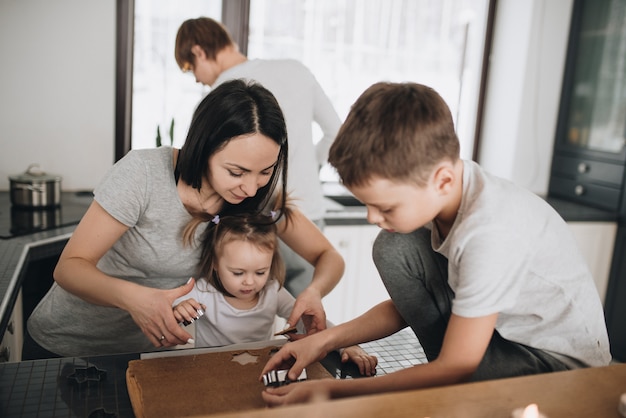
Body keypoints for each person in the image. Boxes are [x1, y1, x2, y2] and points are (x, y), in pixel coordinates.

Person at [260, 81, 612, 405]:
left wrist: (334, 389)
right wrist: (323, 341)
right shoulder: (448, 191)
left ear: (442, 180)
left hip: (561, 370)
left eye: (384, 206)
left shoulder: (489, 233)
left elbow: (458, 364)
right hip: (501, 342)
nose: (371, 217)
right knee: (394, 246)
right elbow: (413, 305)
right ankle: (440, 378)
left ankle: (440, 381)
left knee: (399, 254)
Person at [22, 79, 344, 359]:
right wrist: (138, 300)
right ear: (202, 148)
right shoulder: (143, 174)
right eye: (236, 172)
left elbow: (328, 257)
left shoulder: (258, 197)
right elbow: (69, 268)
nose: (250, 187)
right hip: (66, 347)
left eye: (266, 171)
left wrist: (313, 292)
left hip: (150, 353)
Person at [175, 17, 342, 296]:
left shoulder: (221, 98)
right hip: (310, 210)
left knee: (243, 317)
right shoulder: (296, 70)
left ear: (198, 52)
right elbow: (336, 133)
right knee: (302, 316)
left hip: (244, 222)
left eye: (190, 68)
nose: (195, 78)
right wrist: (307, 166)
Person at [172, 212, 377, 376]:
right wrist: (179, 309)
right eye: (238, 272)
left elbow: (311, 322)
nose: (250, 282)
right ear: (215, 263)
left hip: (259, 372)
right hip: (211, 374)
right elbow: (175, 310)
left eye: (260, 272)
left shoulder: (272, 291)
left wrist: (346, 345)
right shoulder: (203, 290)